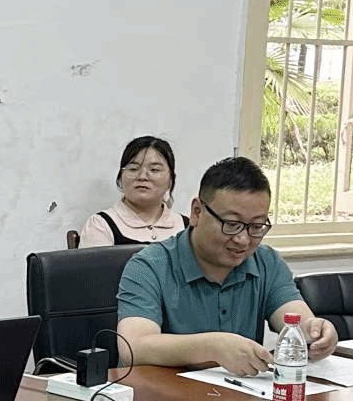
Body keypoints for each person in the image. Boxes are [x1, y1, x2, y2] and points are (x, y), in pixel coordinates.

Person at [116, 156, 338, 375]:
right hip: (164, 394)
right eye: (231, 224)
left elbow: (296, 319)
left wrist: (315, 332)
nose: (243, 239)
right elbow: (133, 347)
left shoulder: (266, 262)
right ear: (197, 212)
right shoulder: (148, 266)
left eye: (256, 226)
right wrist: (214, 347)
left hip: (241, 395)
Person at [79, 136, 188, 247]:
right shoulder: (101, 226)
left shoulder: (188, 227)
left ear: (171, 180)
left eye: (154, 170)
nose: (142, 176)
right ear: (120, 177)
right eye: (133, 169)